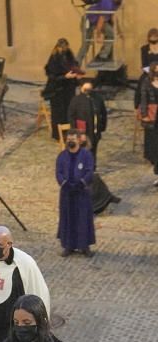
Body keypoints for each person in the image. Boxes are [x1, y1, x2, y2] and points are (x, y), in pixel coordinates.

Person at [56, 129, 96, 257]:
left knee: (83, 218)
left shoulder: (86, 155)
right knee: (68, 218)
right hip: (67, 193)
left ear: (79, 140)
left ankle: (84, 246)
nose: (70, 142)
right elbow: (59, 173)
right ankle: (69, 245)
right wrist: (65, 183)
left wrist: (81, 183)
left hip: (81, 192)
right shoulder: (62, 156)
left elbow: (90, 171)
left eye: (72, 139)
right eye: (68, 140)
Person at [43, 39, 81, 141]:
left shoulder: (69, 54)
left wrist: (76, 73)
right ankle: (58, 134)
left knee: (69, 110)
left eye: (66, 48)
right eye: (62, 48)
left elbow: (74, 64)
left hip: (68, 89)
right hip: (57, 90)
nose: (64, 50)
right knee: (58, 113)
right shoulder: (54, 59)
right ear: (58, 47)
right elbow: (52, 76)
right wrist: (65, 76)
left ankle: (69, 132)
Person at [67, 80, 107, 158]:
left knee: (93, 151)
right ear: (81, 88)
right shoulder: (76, 100)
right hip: (82, 132)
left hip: (95, 131)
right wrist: (77, 132)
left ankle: (92, 167)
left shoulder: (97, 99)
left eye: (89, 89)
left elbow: (103, 113)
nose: (87, 92)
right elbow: (71, 116)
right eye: (85, 89)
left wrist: (102, 127)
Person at [77, 1, 116, 65]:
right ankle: (76, 66)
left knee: (111, 34)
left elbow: (112, 17)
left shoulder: (117, 3)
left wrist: (119, 31)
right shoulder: (107, 3)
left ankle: (102, 56)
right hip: (89, 20)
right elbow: (100, 20)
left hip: (98, 21)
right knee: (85, 45)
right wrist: (98, 36)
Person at [139, 63, 158, 186]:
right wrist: (144, 114)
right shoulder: (146, 82)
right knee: (153, 146)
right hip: (152, 118)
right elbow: (143, 98)